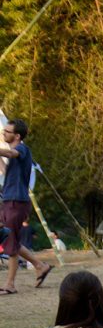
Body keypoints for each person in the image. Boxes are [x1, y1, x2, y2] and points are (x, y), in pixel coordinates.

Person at [1, 118, 54, 295]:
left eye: (7, 131)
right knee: (11, 239)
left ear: (16, 135)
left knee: (10, 241)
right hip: (10, 200)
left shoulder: (22, 149)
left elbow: (11, 154)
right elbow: (4, 166)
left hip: (16, 202)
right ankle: (40, 265)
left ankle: (10, 285)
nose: (3, 133)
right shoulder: (15, 152)